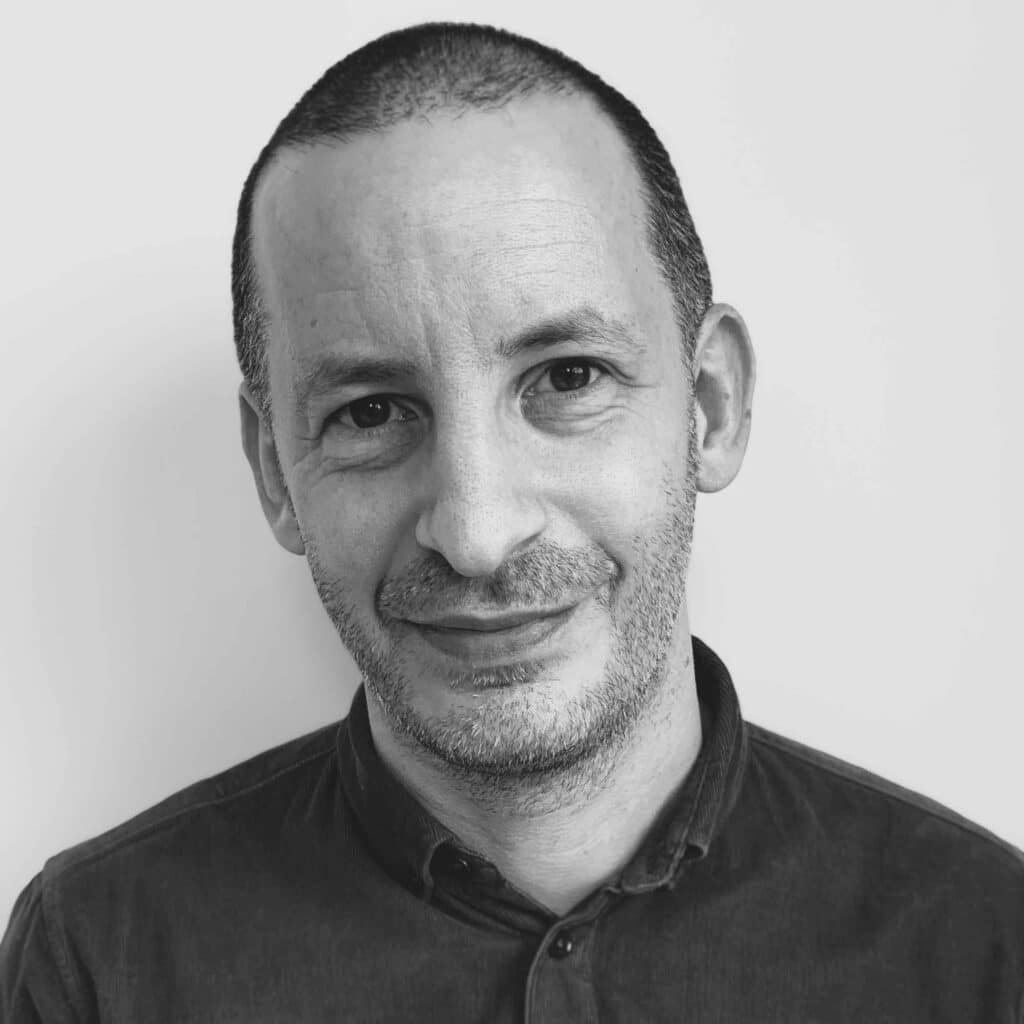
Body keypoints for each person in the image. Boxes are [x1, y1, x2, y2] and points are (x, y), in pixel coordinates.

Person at [2, 20, 1021, 1022]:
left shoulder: (988, 946)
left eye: (567, 378)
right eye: (370, 411)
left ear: (707, 407)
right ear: (276, 470)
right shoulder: (99, 961)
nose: (476, 531)